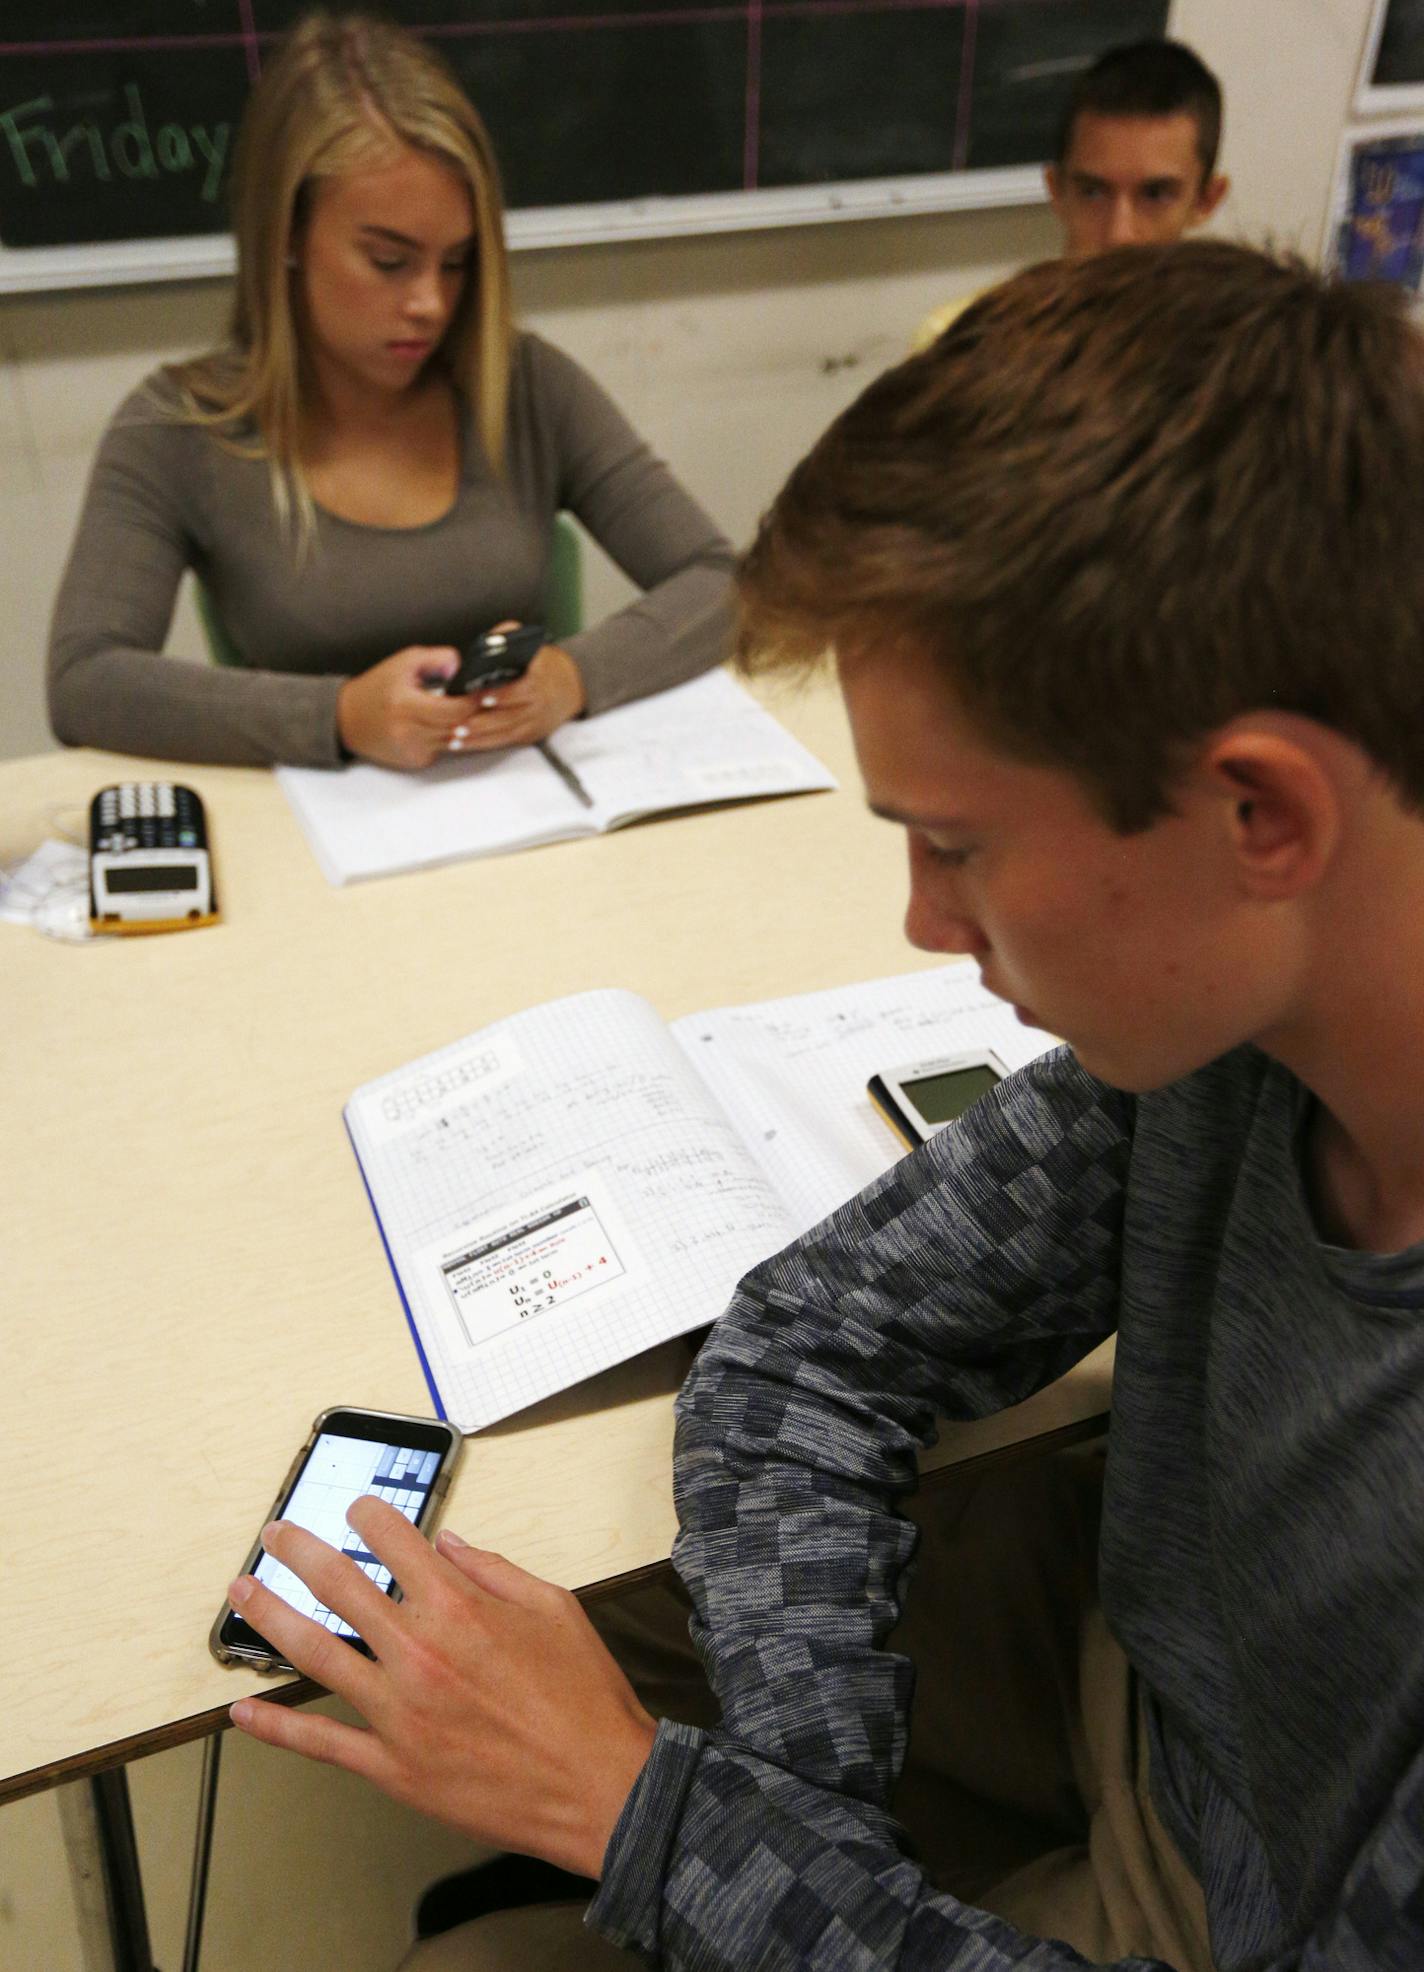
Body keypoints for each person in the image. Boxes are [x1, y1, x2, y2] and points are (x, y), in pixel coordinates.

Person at [226, 242, 1424, 1971]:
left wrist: (677, 1841)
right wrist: (790, 1855)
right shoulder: (1235, 1037)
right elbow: (812, 1337)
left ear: (1257, 814)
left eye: (955, 845)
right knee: (506, 1633)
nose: (926, 930)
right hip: (1150, 1689)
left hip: (1242, 1893)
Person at [47, 13, 733, 772]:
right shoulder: (180, 428)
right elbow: (86, 680)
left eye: (456, 263)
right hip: (318, 846)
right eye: (388, 260)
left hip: (529, 820)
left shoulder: (524, 384)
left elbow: (722, 583)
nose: (430, 305)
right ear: (287, 238)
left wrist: (575, 676)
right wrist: (335, 716)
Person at [914, 39, 1228, 350]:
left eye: (1155, 194)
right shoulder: (961, 342)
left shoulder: (1235, 357)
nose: (1120, 236)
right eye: (1093, 192)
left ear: (1206, 201)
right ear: (1057, 190)